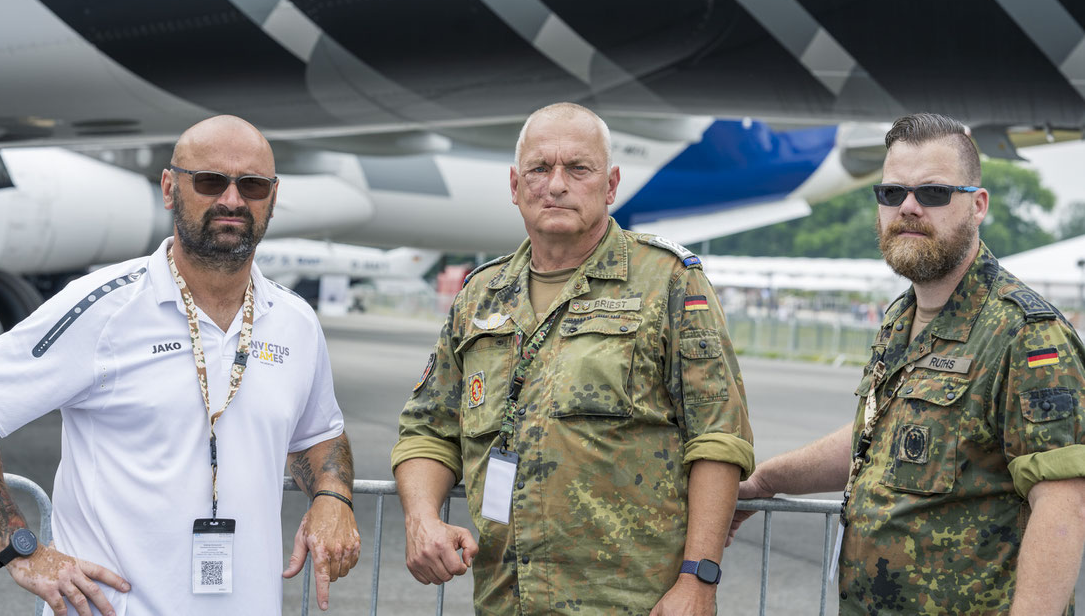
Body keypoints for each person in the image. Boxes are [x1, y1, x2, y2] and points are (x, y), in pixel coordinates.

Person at [391, 102, 754, 615]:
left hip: (629, 604)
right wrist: (422, 518)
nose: (556, 184)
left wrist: (699, 579)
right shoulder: (480, 297)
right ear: (515, 186)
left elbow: (718, 437)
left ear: (610, 186)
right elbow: (428, 430)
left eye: (577, 168)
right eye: (540, 168)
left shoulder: (670, 281)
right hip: (504, 600)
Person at [0, 116, 361, 616]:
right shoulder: (101, 309)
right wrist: (19, 548)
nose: (232, 200)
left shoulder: (295, 321)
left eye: (252, 186)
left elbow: (321, 434)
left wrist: (334, 498)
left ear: (272, 198)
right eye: (210, 181)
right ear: (170, 188)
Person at [728, 113, 1085, 614]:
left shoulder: (1025, 335)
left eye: (934, 193)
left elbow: (1063, 505)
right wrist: (765, 482)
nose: (909, 207)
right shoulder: (902, 317)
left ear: (977, 205)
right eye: (892, 193)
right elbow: (876, 438)